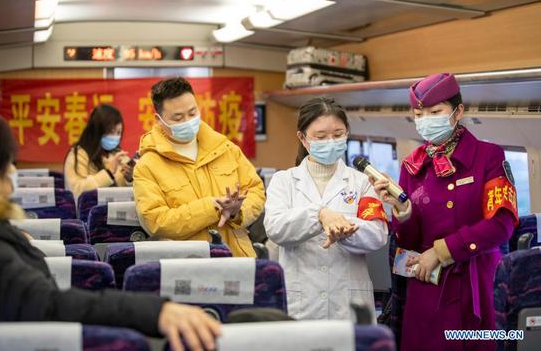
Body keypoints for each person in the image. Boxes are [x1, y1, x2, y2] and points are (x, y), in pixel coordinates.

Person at [0, 113, 220, 351]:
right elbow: (47, 304)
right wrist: (155, 312)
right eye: (8, 163)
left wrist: (127, 174)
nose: (12, 171)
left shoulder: (4, 235)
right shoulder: (79, 155)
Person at [372, 73, 518, 351]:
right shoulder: (412, 165)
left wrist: (443, 251)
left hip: (476, 283)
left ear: (458, 111)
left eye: (435, 112)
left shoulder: (489, 157)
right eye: (419, 114)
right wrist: (402, 212)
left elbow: (502, 225)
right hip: (427, 284)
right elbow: (408, 242)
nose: (426, 119)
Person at [264, 97, 388, 320]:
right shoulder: (284, 181)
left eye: (338, 135)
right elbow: (276, 228)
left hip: (349, 303)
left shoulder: (362, 182)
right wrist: (319, 215)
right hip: (301, 303)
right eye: (321, 137)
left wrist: (345, 228)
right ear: (302, 138)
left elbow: (377, 235)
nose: (330, 141)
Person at [133, 77, 265, 257]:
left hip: (238, 258)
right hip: (187, 263)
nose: (187, 121)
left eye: (192, 113)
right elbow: (156, 221)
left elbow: (256, 190)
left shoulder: (225, 148)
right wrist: (212, 207)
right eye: (178, 117)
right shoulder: (147, 166)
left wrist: (237, 212)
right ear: (159, 119)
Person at [64, 104, 134, 201]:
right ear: (97, 131)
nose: (115, 137)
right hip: (87, 214)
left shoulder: (119, 154)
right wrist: (108, 172)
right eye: (111, 132)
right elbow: (77, 191)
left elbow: (127, 195)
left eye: (118, 133)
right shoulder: (78, 155)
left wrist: (129, 178)